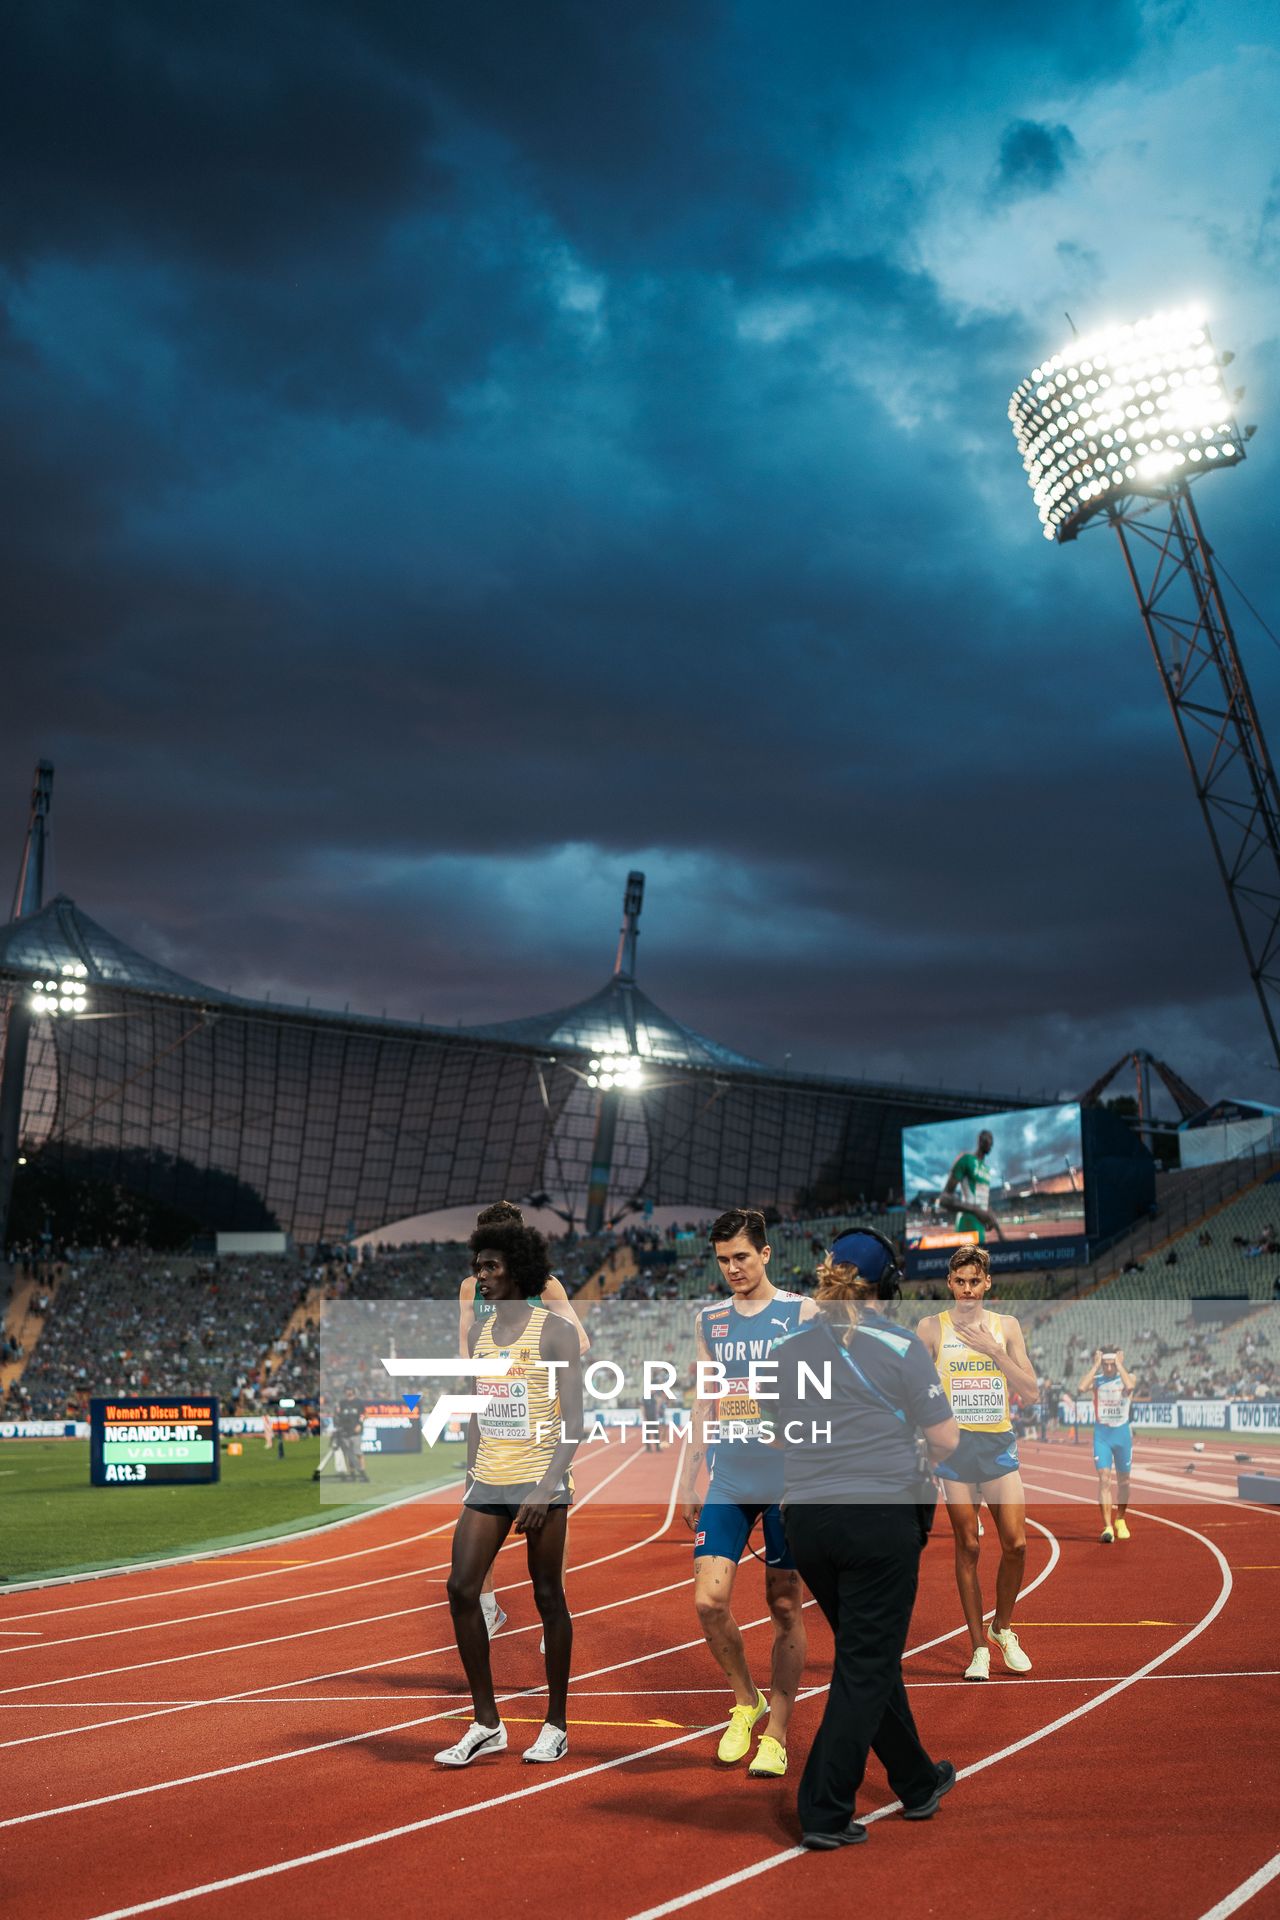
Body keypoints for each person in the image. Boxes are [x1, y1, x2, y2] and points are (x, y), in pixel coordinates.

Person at [771, 1230, 961, 1848]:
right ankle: (824, 1807)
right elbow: (948, 1441)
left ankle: (916, 1780)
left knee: (866, 1654)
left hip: (808, 1522)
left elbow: (774, 1434)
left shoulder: (787, 1345)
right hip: (878, 1517)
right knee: (865, 1665)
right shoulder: (901, 1344)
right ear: (888, 1286)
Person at [436, 1218, 584, 1768]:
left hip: (542, 1482)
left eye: (491, 1267)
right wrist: (471, 1469)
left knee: (549, 1597)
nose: (481, 1278)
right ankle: (486, 1722)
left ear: (517, 1270)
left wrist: (547, 1487)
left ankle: (556, 1724)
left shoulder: (555, 1331)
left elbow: (576, 1422)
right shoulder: (479, 1333)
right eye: (478, 1267)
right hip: (490, 1479)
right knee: (461, 1588)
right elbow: (477, 1404)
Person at [678, 1207, 814, 1780]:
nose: (732, 1268)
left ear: (765, 1254)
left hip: (787, 1478)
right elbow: (704, 1396)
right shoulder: (710, 1320)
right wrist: (689, 1474)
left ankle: (777, 1733)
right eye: (723, 1260)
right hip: (730, 1475)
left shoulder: (801, 1311)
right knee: (709, 1602)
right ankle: (745, 1701)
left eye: (741, 1257)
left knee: (784, 1606)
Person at [458, 1200, 590, 1637]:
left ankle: (555, 1613)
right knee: (479, 1512)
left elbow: (580, 1340)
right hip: (495, 1414)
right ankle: (488, 1605)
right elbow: (467, 1350)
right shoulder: (469, 1289)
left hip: (540, 1416)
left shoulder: (546, 1286)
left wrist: (529, 1362)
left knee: (550, 1516)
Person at [918, 1246, 1039, 1680]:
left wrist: (995, 1352)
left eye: (975, 1282)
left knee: (1016, 1544)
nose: (967, 1290)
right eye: (960, 1282)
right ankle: (977, 1650)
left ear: (987, 1284)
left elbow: (1032, 1390)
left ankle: (1002, 1628)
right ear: (950, 1284)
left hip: (997, 1446)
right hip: (955, 1452)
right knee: (968, 1546)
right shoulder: (932, 1328)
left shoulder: (1007, 1327)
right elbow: (912, 1387)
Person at [1078, 1347, 1137, 1542]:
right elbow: (1080, 1387)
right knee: (1104, 1478)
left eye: (1112, 1364)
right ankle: (1108, 1526)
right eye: (1106, 1364)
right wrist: (1095, 1365)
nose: (1109, 1368)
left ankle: (1120, 1519)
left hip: (1122, 1435)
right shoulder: (1097, 1381)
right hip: (1102, 1436)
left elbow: (1130, 1386)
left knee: (1124, 1482)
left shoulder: (1129, 1377)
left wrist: (1120, 1364)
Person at [937, 1128, 1003, 1244]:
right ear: (980, 1140)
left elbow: (985, 1205)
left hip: (980, 1230)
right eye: (988, 1138)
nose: (991, 1142)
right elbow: (944, 1199)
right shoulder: (966, 1159)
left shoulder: (987, 1170)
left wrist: (1000, 1233)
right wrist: (975, 1210)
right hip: (965, 1228)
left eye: (992, 1140)